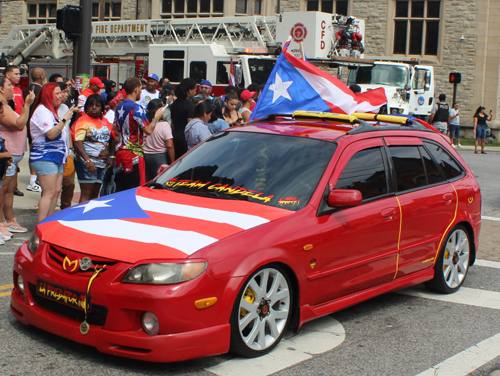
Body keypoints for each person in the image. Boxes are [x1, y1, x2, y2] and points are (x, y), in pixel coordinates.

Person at [30, 83, 75, 223]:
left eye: (60, 93)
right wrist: (65, 119)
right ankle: (41, 227)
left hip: (56, 157)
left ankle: (47, 224)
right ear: (48, 95)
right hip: (44, 156)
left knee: (56, 191)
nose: (60, 95)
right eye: (57, 93)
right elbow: (50, 134)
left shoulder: (51, 111)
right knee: (49, 193)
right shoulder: (42, 111)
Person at [113, 77, 164, 192]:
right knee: (135, 189)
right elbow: (149, 130)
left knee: (121, 189)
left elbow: (115, 129)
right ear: (136, 89)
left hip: (120, 153)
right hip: (134, 154)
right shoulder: (136, 108)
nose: (141, 92)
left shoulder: (119, 107)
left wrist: (135, 134)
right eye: (141, 89)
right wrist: (156, 117)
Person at [0, 76, 35, 235]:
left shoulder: (6, 106)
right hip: (7, 154)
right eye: (8, 85)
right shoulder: (2, 107)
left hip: (13, 155)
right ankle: (1, 222)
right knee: (3, 188)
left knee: (9, 189)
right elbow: (19, 124)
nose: (12, 89)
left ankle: (9, 219)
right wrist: (27, 105)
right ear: (1, 88)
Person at [73, 94, 115, 202]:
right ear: (86, 107)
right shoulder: (82, 121)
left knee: (95, 194)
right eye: (91, 105)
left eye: (97, 105)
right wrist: (87, 160)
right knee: (87, 193)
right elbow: (77, 142)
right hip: (86, 163)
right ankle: (81, 217)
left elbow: (112, 138)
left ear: (102, 108)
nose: (94, 108)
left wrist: (112, 156)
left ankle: (89, 217)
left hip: (102, 164)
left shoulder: (105, 121)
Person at [23, 67, 46, 193]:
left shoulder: (27, 89)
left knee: (33, 150)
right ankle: (33, 180)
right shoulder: (40, 91)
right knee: (36, 152)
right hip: (37, 127)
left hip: (28, 124)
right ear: (41, 76)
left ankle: (34, 179)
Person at [58, 82, 80, 209]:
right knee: (54, 188)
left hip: (67, 152)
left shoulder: (65, 109)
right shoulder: (44, 110)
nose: (67, 94)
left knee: (69, 184)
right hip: (52, 154)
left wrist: (70, 149)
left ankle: (65, 208)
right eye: (63, 92)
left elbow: (67, 130)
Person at [144, 99, 175, 181]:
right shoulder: (164, 125)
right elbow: (170, 146)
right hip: (160, 158)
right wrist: (172, 163)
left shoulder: (145, 125)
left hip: (145, 157)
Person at [170, 78, 196, 159]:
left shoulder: (174, 104)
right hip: (184, 140)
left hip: (175, 137)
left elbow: (172, 124)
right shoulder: (190, 105)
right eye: (194, 90)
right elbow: (190, 125)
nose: (195, 92)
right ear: (189, 91)